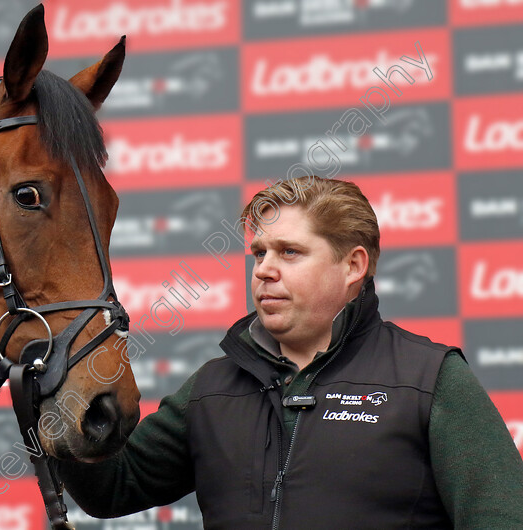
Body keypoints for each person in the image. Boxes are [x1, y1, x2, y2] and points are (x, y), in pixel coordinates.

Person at [56, 176, 523, 529]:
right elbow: (112, 487)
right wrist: (52, 388)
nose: (264, 270)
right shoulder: (213, 387)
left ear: (353, 266)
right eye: (259, 254)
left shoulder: (429, 379)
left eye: (290, 252)